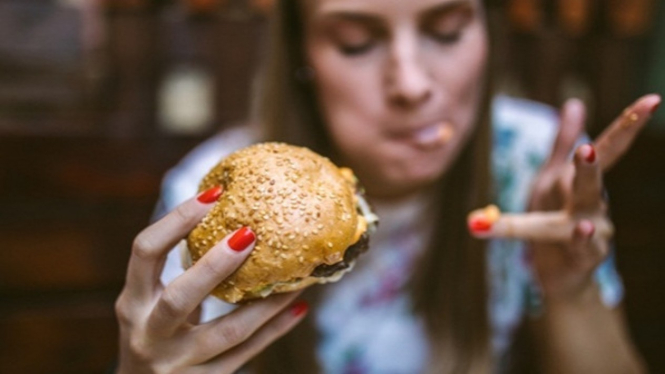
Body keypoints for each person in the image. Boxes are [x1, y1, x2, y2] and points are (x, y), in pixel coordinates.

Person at [114, 0, 659, 372]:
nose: (413, 84)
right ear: (303, 54)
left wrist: (572, 291)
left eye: (446, 32)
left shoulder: (536, 162)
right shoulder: (210, 199)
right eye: (356, 42)